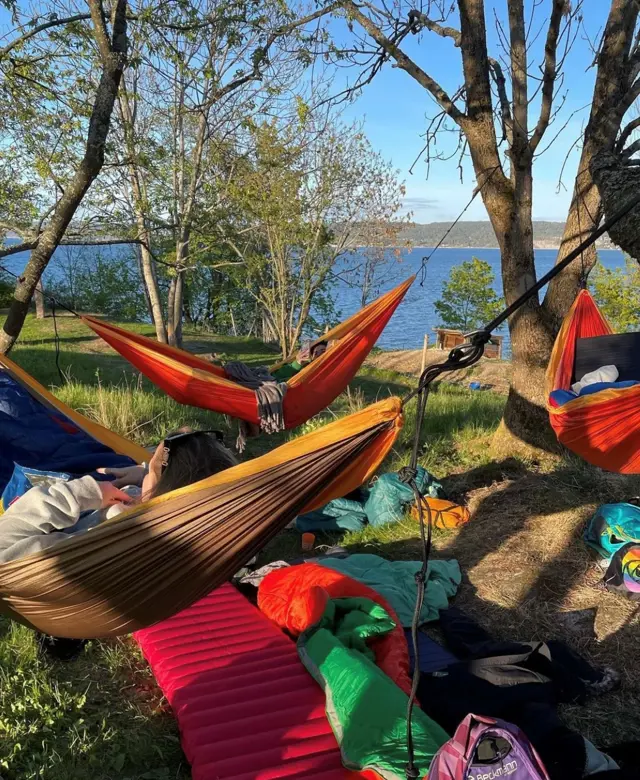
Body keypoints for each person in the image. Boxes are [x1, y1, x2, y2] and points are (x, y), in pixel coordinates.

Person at [0, 429, 238, 659]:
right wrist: (144, 474)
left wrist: (80, 493)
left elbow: (5, 547)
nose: (147, 468)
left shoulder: (115, 535)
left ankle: (60, 635)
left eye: (152, 464)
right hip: (108, 598)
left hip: (64, 592)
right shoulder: (199, 540)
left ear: (162, 486)